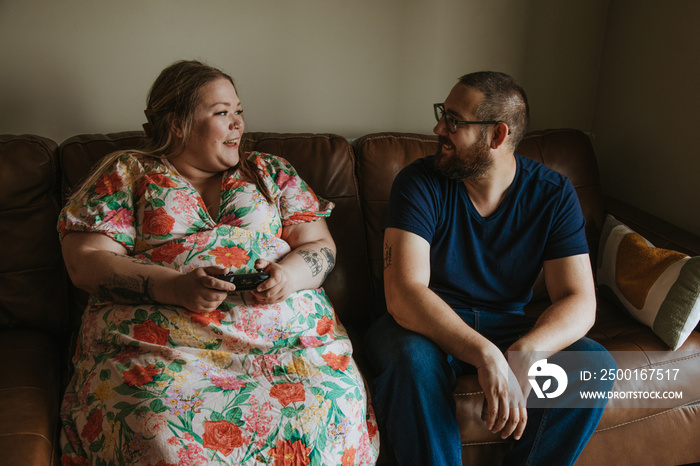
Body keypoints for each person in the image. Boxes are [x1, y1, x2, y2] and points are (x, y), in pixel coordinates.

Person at [58, 60, 379, 465]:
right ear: (177, 123)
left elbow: (320, 245)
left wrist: (290, 274)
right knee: (160, 432)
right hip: (164, 350)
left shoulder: (269, 172)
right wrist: (173, 286)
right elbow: (84, 261)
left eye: (239, 111)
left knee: (329, 411)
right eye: (222, 113)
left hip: (286, 345)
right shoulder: (128, 172)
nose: (238, 125)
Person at [365, 71, 615, 465]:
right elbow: (404, 292)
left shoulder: (553, 194)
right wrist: (485, 355)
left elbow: (579, 299)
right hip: (424, 326)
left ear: (497, 136)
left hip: (508, 326)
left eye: (455, 121)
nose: (438, 128)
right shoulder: (418, 183)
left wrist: (527, 350)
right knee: (410, 359)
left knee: (593, 364)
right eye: (442, 114)